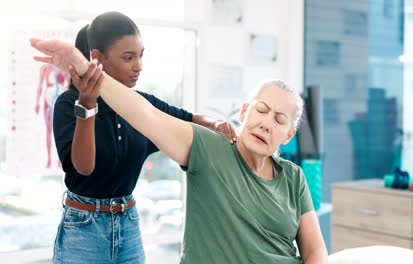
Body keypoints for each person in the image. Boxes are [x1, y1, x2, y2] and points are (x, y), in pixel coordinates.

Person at [30, 37, 328, 264]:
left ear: (288, 135)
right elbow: (146, 114)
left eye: (279, 120)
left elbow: (314, 249)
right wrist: (83, 68)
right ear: (245, 111)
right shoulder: (209, 149)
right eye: (261, 111)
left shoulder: (292, 177)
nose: (266, 124)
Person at [46, 12, 237, 264]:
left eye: (140, 55)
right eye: (128, 57)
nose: (139, 66)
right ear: (97, 57)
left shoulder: (143, 104)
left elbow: (188, 118)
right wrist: (88, 105)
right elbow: (84, 167)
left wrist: (218, 123)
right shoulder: (68, 104)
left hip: (129, 226)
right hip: (83, 227)